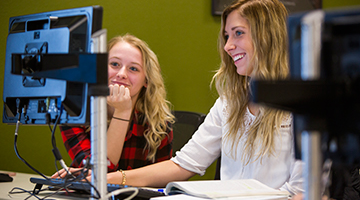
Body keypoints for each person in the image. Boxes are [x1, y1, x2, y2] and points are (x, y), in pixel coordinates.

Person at [53, 0, 304, 195]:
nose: (227, 46)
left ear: (268, 36)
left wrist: (104, 177)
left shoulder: (305, 105)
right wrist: (100, 179)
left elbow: (303, 192)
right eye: (227, 36)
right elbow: (183, 164)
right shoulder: (229, 103)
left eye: (238, 33)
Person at [60, 34, 175, 172]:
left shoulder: (158, 123)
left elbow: (162, 178)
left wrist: (122, 111)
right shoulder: (74, 112)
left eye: (133, 68)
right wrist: (122, 111)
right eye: (114, 64)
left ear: (146, 80)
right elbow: (100, 171)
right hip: (91, 194)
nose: (121, 74)